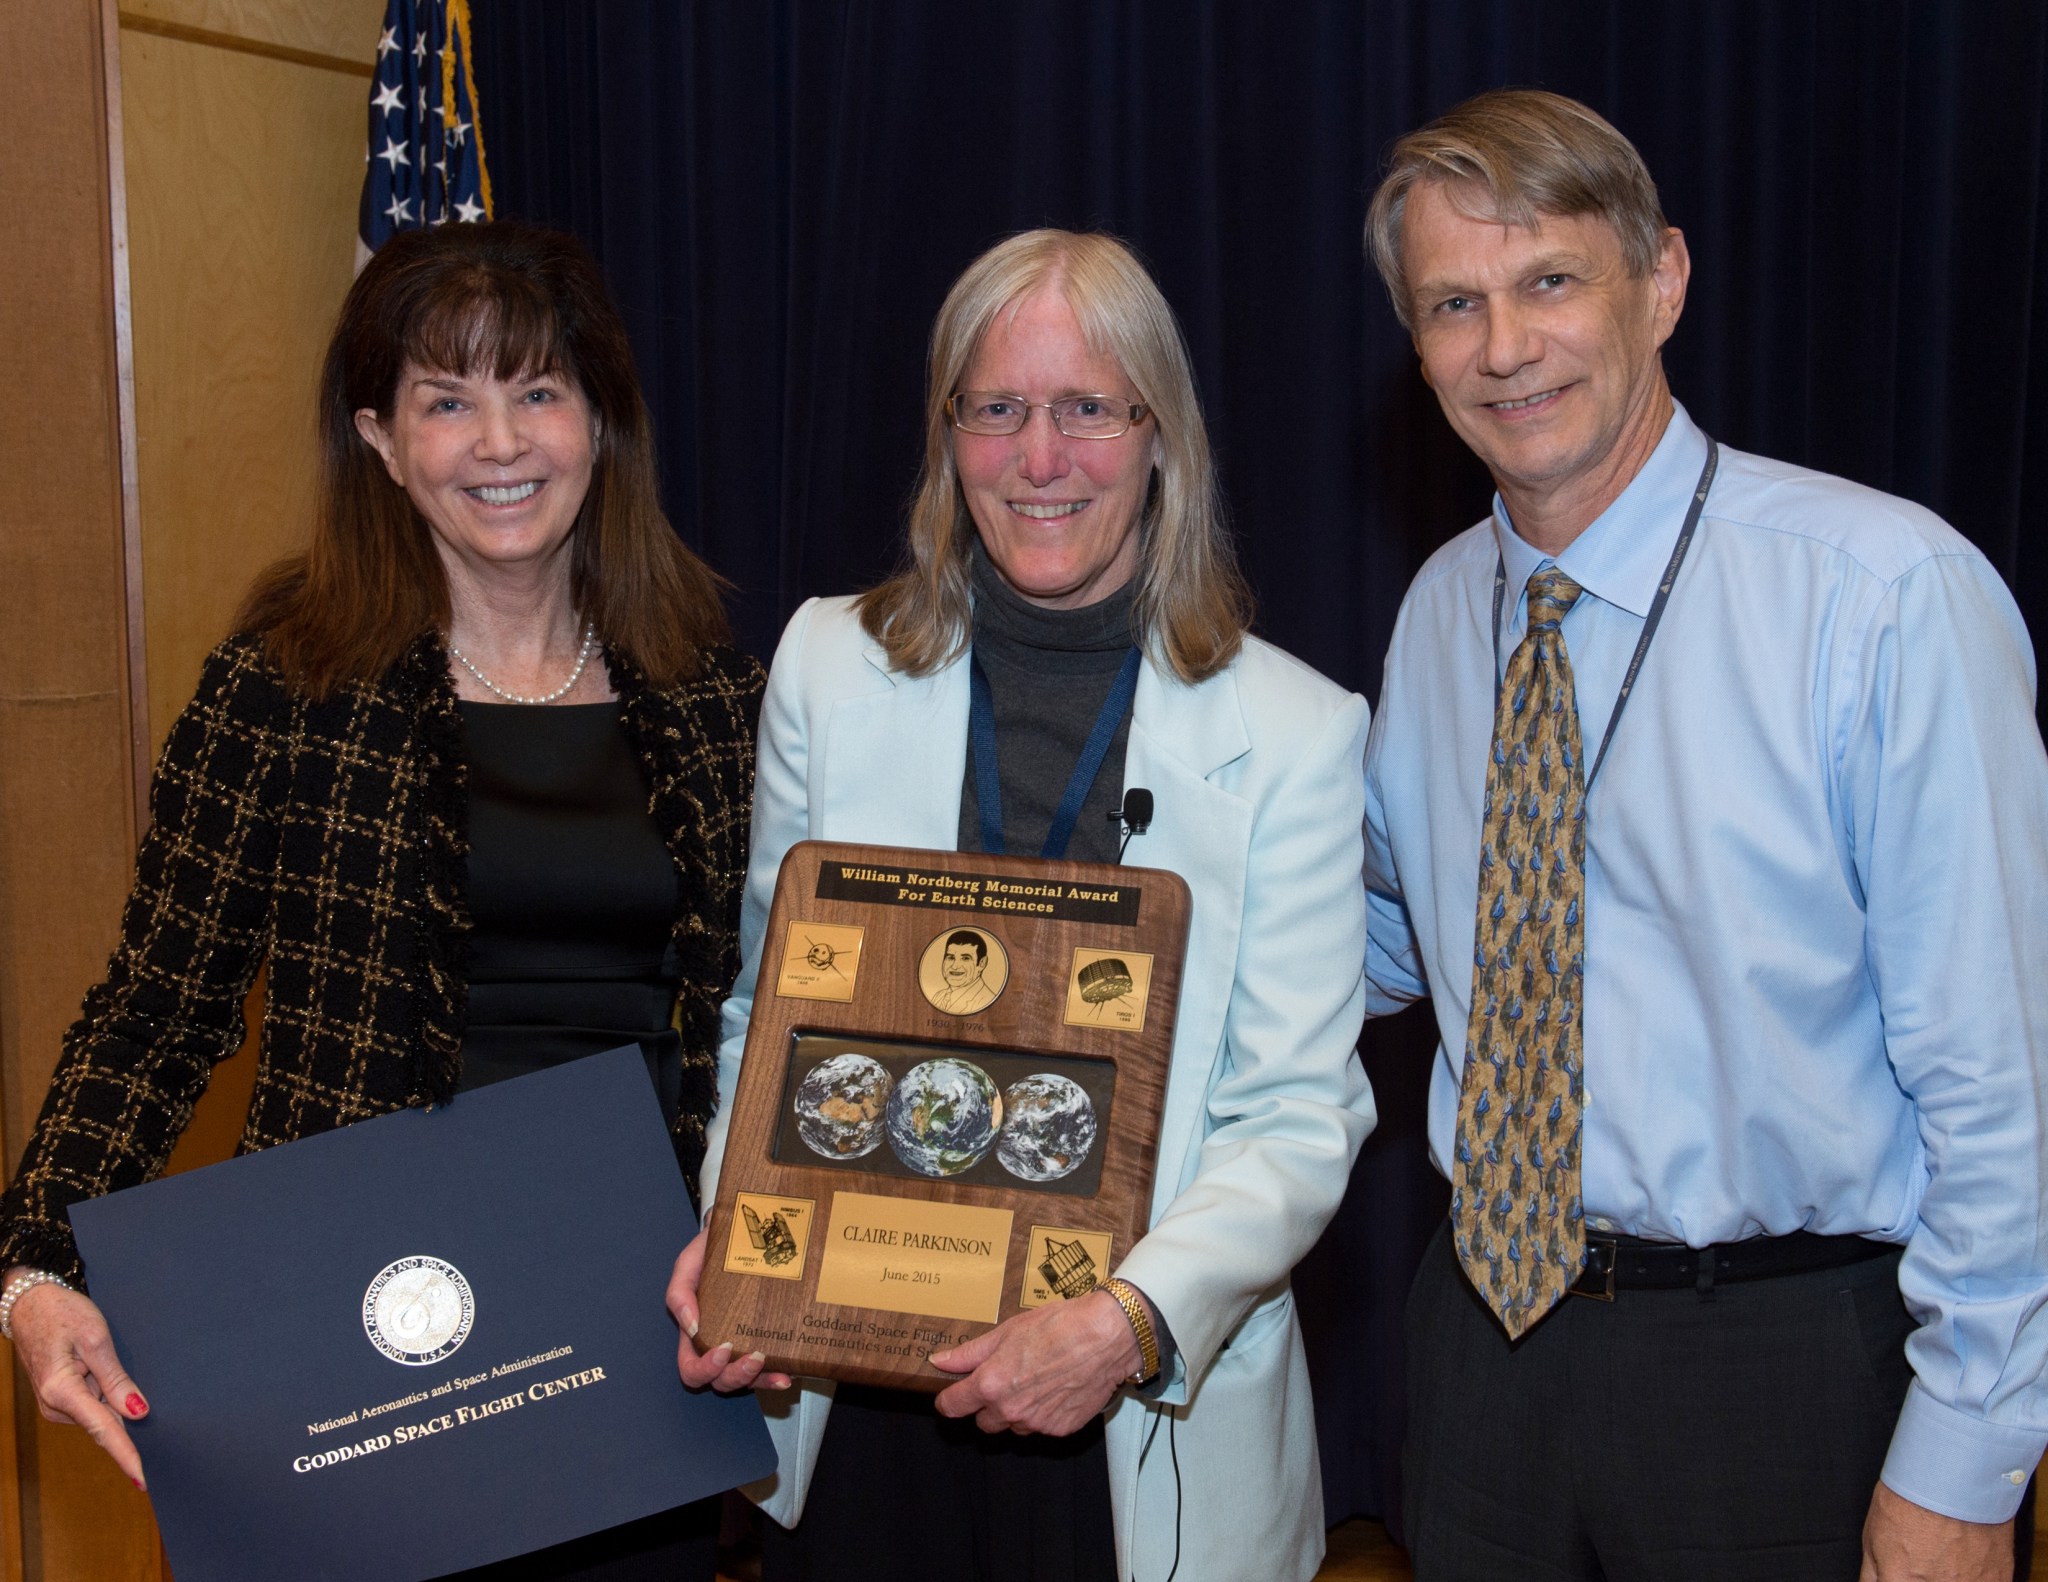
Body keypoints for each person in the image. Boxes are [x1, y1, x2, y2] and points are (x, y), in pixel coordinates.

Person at [0, 222, 764, 1581]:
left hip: (633, 1343)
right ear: (378, 436)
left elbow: (773, 1015)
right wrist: (35, 1260)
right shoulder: (287, 685)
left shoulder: (712, 690)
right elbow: (157, 1007)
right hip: (360, 1343)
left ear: (601, 422)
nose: (501, 442)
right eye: (447, 400)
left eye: (538, 391)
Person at [1359, 89, 2048, 1581]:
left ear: (1661, 281)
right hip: (1483, 1358)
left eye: (1550, 281)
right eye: (1451, 304)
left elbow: (2001, 1073)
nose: (1504, 346)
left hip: (1789, 1369)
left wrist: (1968, 1456)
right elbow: (1380, 946)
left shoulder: (1881, 596)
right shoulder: (1430, 617)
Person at [666, 228, 1376, 1582]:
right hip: (860, 1389)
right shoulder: (825, 663)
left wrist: (1123, 1321)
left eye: (1086, 410)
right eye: (997, 408)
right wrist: (742, 1248)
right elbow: (766, 1010)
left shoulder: (1295, 729)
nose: (1038, 459)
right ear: (949, 436)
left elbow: (1296, 1112)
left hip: (1130, 1415)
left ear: (1159, 435)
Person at [930, 928, 998, 1015]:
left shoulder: (987, 1001)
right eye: (951, 957)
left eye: (965, 958)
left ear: (982, 963)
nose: (955, 966)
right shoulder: (938, 996)